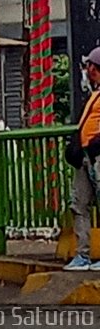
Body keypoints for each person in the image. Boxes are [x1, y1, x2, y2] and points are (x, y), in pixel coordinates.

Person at [64, 46, 100, 271]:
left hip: (96, 155)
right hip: (87, 157)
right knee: (79, 205)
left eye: (90, 66)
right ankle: (83, 254)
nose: (87, 70)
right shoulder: (94, 95)